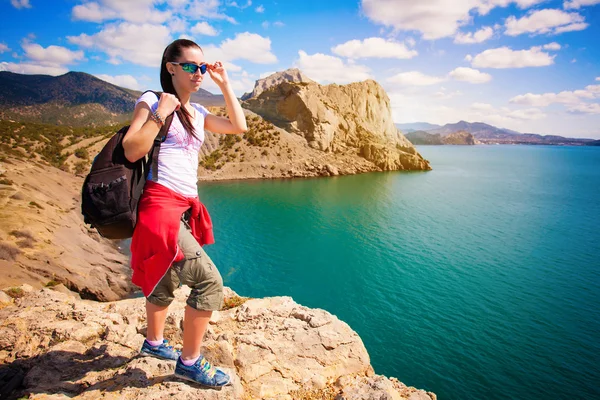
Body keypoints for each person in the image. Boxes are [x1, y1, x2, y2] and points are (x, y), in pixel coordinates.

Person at [122, 38, 247, 388]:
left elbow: (239, 126)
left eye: (202, 68)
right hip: (159, 206)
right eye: (191, 66)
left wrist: (224, 84)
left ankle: (154, 343)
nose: (198, 74)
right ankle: (189, 363)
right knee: (209, 282)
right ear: (171, 68)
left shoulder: (198, 113)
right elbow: (132, 150)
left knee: (166, 277)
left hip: (182, 208)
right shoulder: (151, 101)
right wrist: (162, 110)